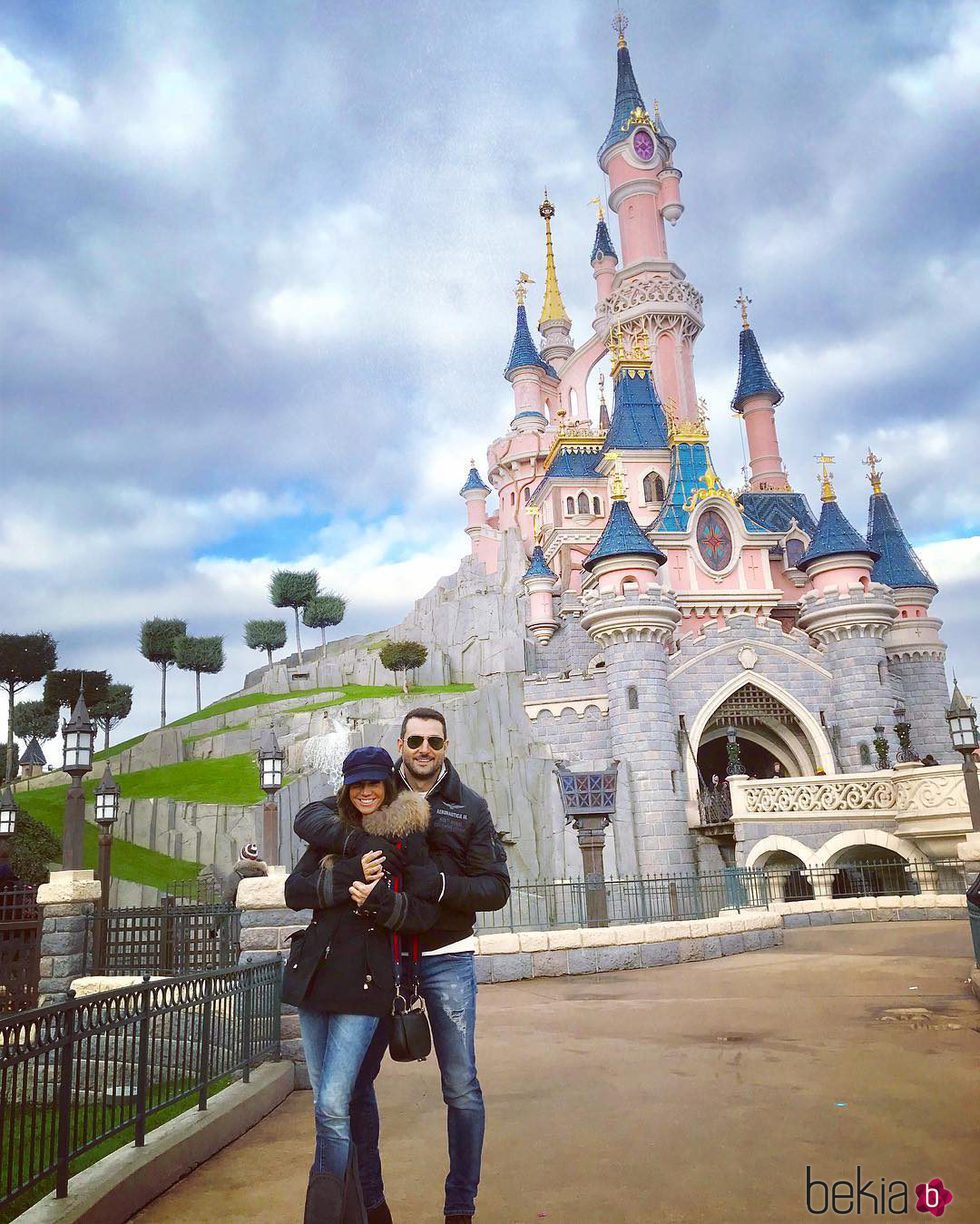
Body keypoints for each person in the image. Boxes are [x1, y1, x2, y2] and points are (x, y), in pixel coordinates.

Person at [295, 708, 511, 1224]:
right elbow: (311, 818)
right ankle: (372, 1203)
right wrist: (358, 845)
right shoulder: (376, 788)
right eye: (415, 739)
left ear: (445, 746)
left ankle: (460, 1207)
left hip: (444, 957)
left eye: (433, 741)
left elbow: (496, 888)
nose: (424, 749)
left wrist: (438, 887)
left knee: (460, 1085)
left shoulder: (468, 806)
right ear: (402, 742)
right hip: (382, 956)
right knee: (357, 1083)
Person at [284, 745, 440, 1224]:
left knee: (334, 1103)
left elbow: (424, 909)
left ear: (388, 785)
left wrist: (377, 903)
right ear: (347, 790)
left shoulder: (408, 837)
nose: (367, 791)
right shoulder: (334, 835)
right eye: (358, 784)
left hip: (367, 985)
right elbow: (294, 890)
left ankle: (329, 1212)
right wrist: (347, 875)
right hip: (316, 982)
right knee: (335, 1101)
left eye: (374, 782)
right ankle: (360, 1205)